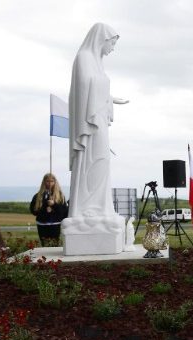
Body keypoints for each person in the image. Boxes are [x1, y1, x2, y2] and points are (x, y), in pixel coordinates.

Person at [62, 23, 128, 254]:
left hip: (97, 119)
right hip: (90, 125)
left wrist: (110, 97)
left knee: (103, 161)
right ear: (103, 39)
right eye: (112, 43)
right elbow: (84, 86)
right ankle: (88, 208)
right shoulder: (84, 57)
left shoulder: (95, 61)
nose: (112, 49)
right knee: (96, 159)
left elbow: (94, 85)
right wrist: (106, 90)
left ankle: (101, 207)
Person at [30, 173, 68, 246]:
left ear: (55, 182)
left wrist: (54, 205)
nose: (50, 183)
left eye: (52, 181)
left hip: (55, 225)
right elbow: (33, 211)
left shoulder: (60, 195)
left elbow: (64, 212)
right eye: (47, 181)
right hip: (42, 225)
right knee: (45, 245)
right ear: (44, 182)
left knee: (54, 245)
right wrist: (45, 208)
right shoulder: (38, 196)